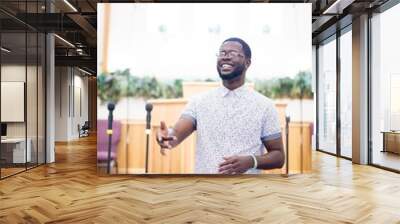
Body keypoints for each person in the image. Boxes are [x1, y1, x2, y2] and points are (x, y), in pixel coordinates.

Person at [156, 37, 285, 174]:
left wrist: (251, 161)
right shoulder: (199, 102)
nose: (225, 57)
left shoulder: (265, 106)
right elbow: (175, 135)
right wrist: (166, 138)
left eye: (232, 54)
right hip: (205, 190)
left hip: (246, 191)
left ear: (247, 63)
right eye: (222, 53)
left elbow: (278, 156)